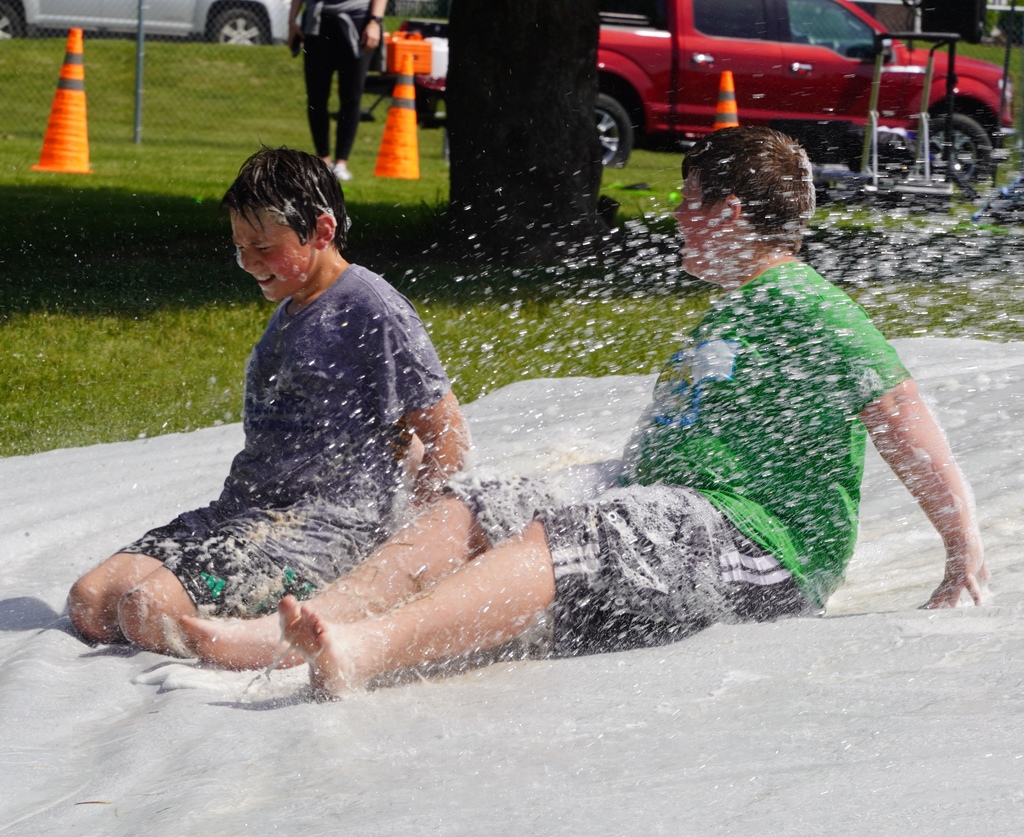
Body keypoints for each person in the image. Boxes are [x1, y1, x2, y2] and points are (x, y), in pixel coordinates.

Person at [181, 127, 986, 698]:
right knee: (485, 502)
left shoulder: (809, 304)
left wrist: (962, 550)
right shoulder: (739, 307)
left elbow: (898, 409)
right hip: (671, 505)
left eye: (688, 201)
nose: (675, 217)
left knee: (583, 533)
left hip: (758, 544)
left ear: (731, 214)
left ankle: (361, 649)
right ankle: (308, 622)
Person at [67, 146, 469, 658]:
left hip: (322, 530)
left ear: (321, 232)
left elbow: (446, 434)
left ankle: (293, 632)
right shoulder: (292, 305)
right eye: (239, 246)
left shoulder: (372, 309)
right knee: (92, 603)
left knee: (147, 611)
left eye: (262, 245)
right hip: (244, 514)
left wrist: (412, 547)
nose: (248, 262)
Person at [290, 0, 387, 181]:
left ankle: (341, 163)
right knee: (316, 97)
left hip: (358, 20)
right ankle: (323, 161)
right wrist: (292, 21)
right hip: (318, 21)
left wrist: (375, 21)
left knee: (351, 96)